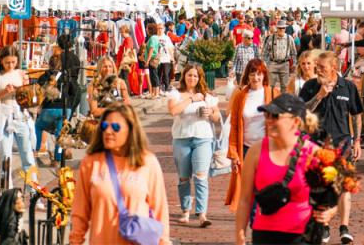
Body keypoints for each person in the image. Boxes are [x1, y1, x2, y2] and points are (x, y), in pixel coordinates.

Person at [235, 94, 336, 245]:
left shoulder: (315, 154)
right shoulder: (256, 151)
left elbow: (335, 192)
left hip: (302, 235)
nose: (269, 121)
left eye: (275, 116)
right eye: (267, 115)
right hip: (264, 234)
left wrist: (330, 212)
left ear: (295, 121)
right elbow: (244, 199)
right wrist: (240, 234)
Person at [70, 102, 170, 245]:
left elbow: (160, 209)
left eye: (116, 127)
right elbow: (80, 211)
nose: (108, 131)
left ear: (130, 130)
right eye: (104, 126)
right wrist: (75, 240)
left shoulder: (147, 162)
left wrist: (164, 241)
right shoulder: (91, 163)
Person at [299, 51, 364, 244]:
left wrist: (358, 141)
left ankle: (344, 228)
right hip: (316, 145)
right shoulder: (310, 87)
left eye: (322, 67)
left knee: (344, 187)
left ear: (334, 67)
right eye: (317, 66)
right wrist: (319, 96)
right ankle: (324, 227)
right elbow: (302, 113)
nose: (318, 70)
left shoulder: (348, 87)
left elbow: (356, 114)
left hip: (342, 143)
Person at [167, 63, 220, 227]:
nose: (192, 78)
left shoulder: (207, 95)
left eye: (195, 76)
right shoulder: (176, 94)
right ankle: (185, 211)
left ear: (200, 78)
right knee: (184, 177)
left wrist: (210, 112)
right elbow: (173, 111)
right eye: (189, 75)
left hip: (203, 138)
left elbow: (217, 116)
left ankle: (202, 213)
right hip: (182, 138)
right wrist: (191, 98)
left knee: (200, 175)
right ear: (184, 76)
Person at [225, 59, 278, 212]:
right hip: (246, 148)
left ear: (264, 75)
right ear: (247, 76)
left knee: (267, 185)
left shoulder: (273, 93)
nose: (256, 78)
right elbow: (234, 126)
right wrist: (233, 153)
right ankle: (255, 220)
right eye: (252, 74)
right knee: (250, 187)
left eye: (259, 74)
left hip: (267, 148)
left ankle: (264, 218)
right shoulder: (241, 96)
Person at [0, 46, 37, 187]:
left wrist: (24, 90)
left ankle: (33, 192)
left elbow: (29, 98)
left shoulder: (21, 74)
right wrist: (3, 92)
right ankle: (7, 194)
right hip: (3, 119)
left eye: (13, 62)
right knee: (5, 159)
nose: (11, 65)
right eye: (7, 62)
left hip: (20, 116)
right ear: (1, 61)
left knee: (28, 157)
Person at [35, 54, 72, 165]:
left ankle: (36, 149)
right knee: (60, 134)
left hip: (49, 109)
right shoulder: (67, 77)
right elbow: (73, 92)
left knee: (38, 126)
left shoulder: (43, 77)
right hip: (65, 108)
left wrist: (39, 107)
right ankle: (58, 159)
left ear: (49, 64)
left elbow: (38, 93)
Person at [262, 20, 297, 92]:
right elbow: (265, 52)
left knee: (285, 86)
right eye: (279, 28)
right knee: (271, 86)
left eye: (283, 28)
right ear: (277, 28)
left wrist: (294, 63)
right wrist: (267, 63)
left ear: (285, 29)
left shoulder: (289, 38)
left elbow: (293, 52)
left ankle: (282, 102)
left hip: (284, 64)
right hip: (273, 63)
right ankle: (271, 101)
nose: (281, 30)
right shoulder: (271, 38)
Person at [157, 22, 175, 94]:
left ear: (164, 29)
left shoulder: (166, 38)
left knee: (166, 74)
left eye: (161, 28)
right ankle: (158, 88)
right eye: (158, 28)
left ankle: (167, 88)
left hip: (166, 58)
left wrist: (172, 57)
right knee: (158, 74)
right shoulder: (155, 37)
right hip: (158, 59)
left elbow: (170, 48)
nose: (159, 30)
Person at [145, 23, 161, 99]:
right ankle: (154, 93)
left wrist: (147, 61)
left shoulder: (152, 38)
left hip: (152, 59)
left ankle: (156, 93)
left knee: (154, 76)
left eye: (147, 28)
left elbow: (151, 50)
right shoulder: (155, 37)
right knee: (153, 76)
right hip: (154, 59)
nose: (146, 30)